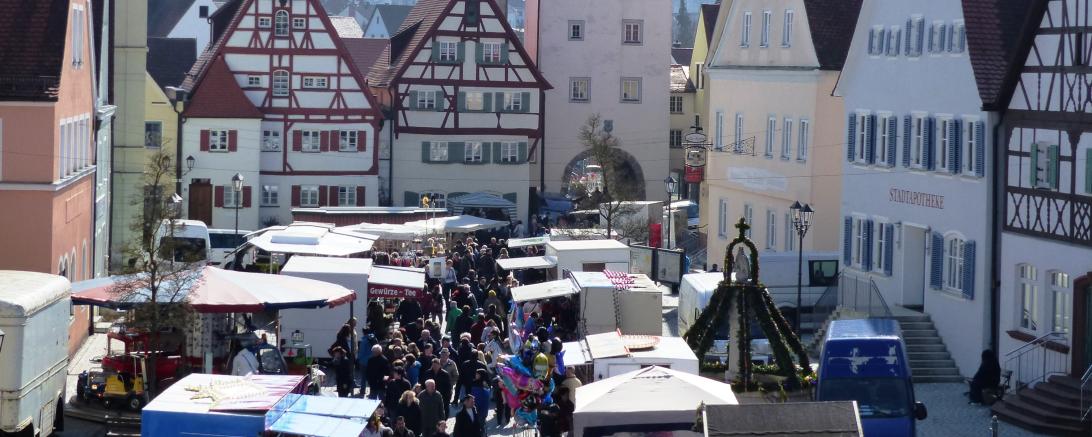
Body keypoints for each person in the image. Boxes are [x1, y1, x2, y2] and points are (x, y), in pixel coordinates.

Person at [470, 369, 491, 434]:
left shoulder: (476, 385)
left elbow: (476, 399)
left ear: (481, 375)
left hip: (478, 410)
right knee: (482, 426)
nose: (476, 375)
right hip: (484, 410)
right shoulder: (486, 385)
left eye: (477, 374)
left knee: (479, 427)